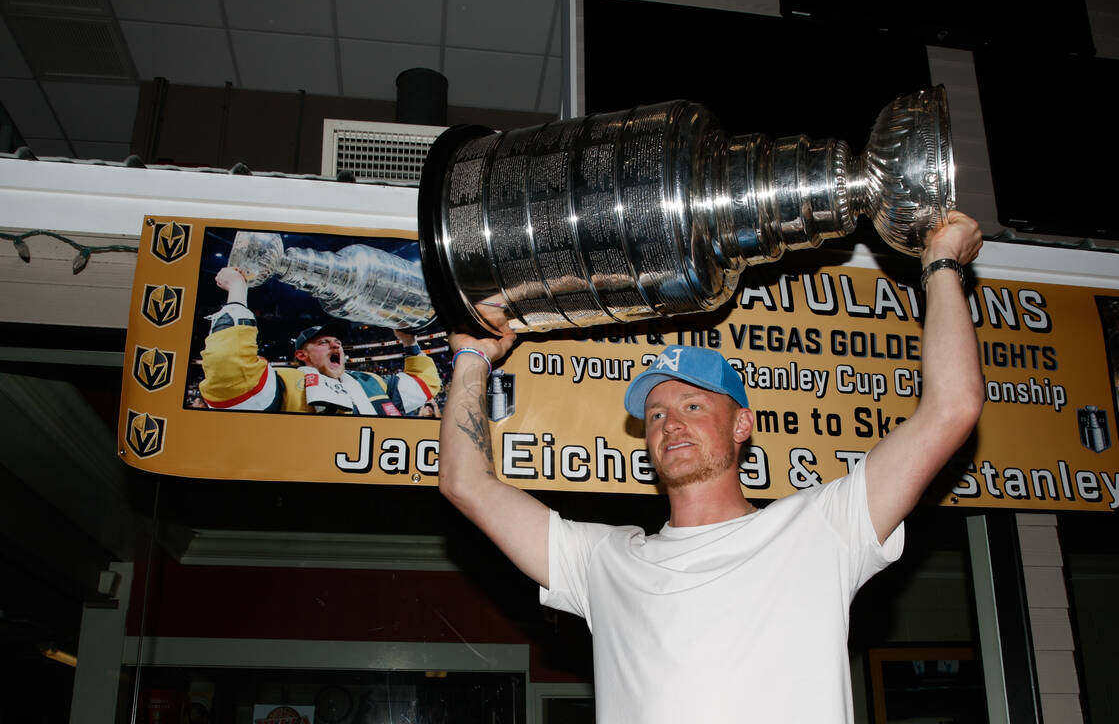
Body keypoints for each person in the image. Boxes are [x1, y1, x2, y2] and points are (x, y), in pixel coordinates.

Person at [437, 211, 985, 723]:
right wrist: (471, 358)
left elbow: (951, 409)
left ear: (741, 425)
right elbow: (466, 484)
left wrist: (940, 262)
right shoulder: (603, 562)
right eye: (656, 414)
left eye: (693, 406)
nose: (670, 424)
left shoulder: (822, 529)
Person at [199, 266, 441, 415]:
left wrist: (410, 343)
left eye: (337, 341)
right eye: (323, 342)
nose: (336, 345)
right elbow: (227, 365)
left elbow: (425, 383)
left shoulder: (370, 381)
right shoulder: (284, 381)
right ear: (302, 355)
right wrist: (237, 291)